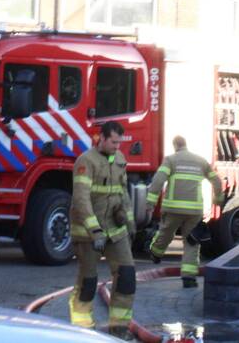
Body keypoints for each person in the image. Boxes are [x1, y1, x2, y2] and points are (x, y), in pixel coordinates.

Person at [69, 121, 136, 340]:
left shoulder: (120, 160)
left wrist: (130, 220)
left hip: (115, 230)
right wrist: (94, 230)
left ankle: (119, 328)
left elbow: (123, 193)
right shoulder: (86, 161)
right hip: (89, 233)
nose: (118, 147)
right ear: (102, 138)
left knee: (127, 276)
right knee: (88, 282)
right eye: (114, 142)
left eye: (120, 143)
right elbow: (81, 199)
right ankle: (83, 328)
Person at [145, 135, 223, 288]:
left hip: (173, 208)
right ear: (186, 145)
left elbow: (158, 180)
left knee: (166, 233)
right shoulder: (201, 161)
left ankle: (156, 253)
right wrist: (218, 200)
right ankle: (189, 278)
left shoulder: (170, 160)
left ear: (175, 146)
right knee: (192, 242)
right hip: (194, 210)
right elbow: (216, 180)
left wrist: (150, 202)